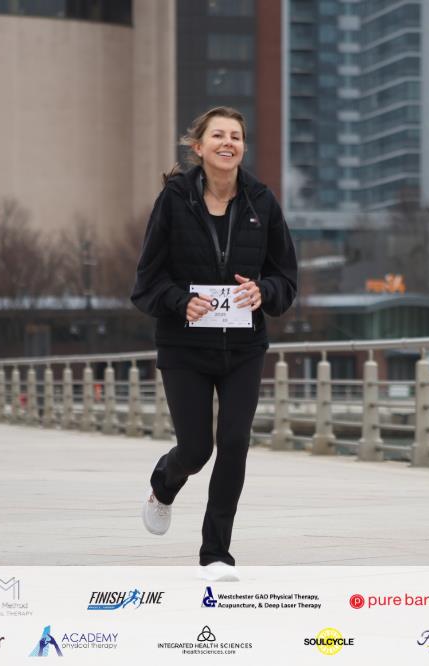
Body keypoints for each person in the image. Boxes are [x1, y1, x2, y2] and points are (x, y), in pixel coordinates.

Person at [131, 106, 298, 582]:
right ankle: (164, 484)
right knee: (196, 448)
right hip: (184, 347)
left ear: (243, 147)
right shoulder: (173, 200)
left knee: (235, 443)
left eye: (236, 137)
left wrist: (264, 292)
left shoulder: (262, 202)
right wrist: (180, 301)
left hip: (244, 347)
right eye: (218, 136)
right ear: (198, 147)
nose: (229, 143)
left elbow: (287, 279)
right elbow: (145, 283)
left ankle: (216, 552)